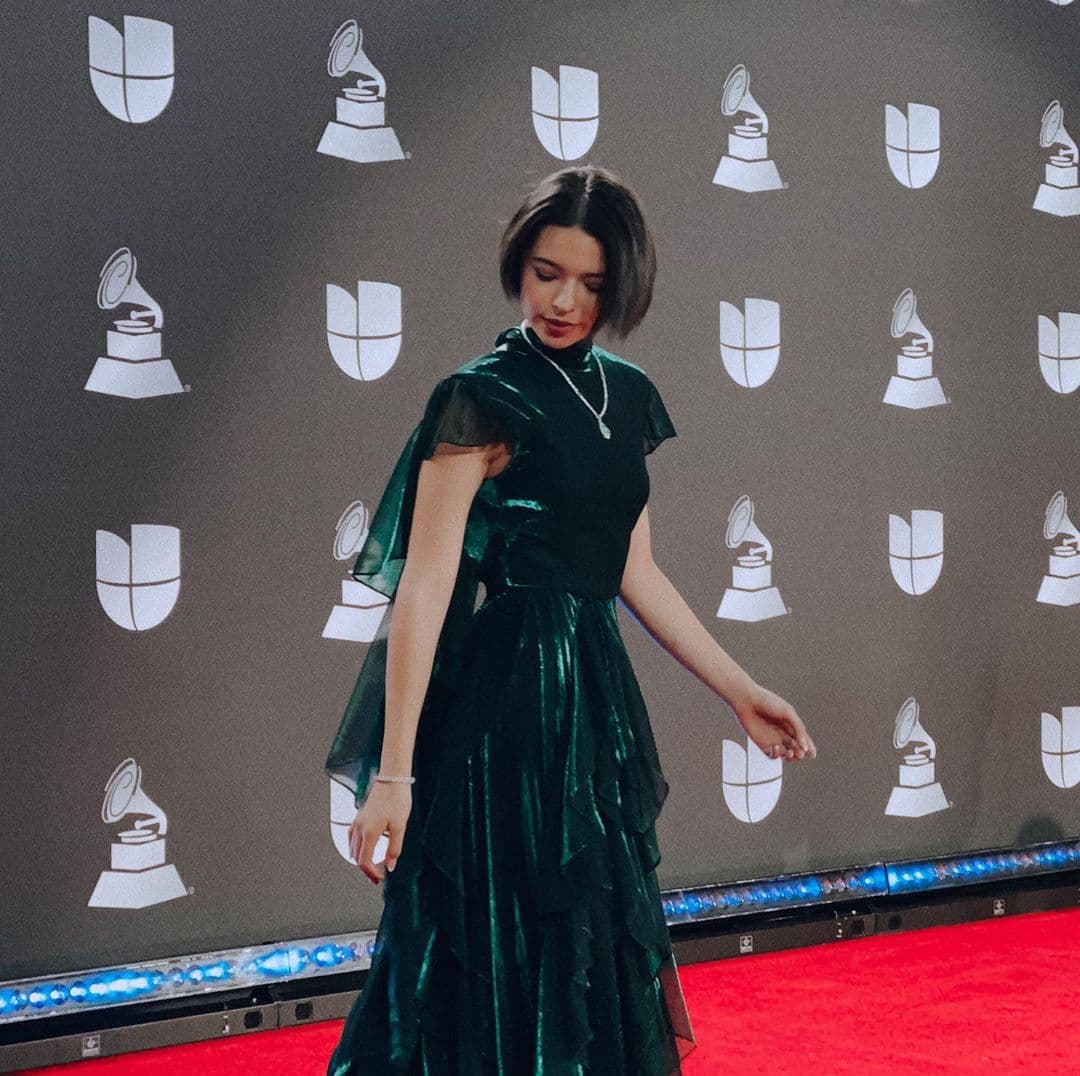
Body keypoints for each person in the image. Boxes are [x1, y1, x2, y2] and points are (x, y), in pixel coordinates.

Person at [325, 164, 817, 1075]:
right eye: (547, 272)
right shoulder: (481, 396)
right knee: (489, 933)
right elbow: (424, 588)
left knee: (586, 926)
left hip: (592, 697)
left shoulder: (627, 396)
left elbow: (635, 571)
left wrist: (741, 690)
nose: (564, 300)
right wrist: (393, 773)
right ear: (519, 263)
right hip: (500, 706)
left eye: (591, 284)